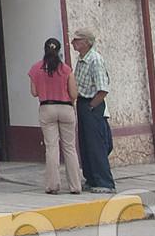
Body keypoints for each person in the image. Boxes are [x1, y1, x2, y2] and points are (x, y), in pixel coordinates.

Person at [27, 36, 82, 193]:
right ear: (59, 52)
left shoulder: (35, 69)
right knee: (70, 148)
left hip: (47, 108)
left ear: (44, 50)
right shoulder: (66, 70)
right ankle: (75, 186)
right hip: (65, 108)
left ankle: (52, 185)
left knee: (51, 148)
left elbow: (34, 92)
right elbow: (73, 93)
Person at [71, 28, 115, 191]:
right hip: (83, 102)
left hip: (92, 104)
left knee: (96, 144)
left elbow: (102, 89)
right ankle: (91, 178)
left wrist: (91, 106)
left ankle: (105, 182)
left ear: (86, 42)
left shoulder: (95, 60)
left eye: (77, 40)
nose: (73, 43)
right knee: (86, 143)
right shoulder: (82, 59)